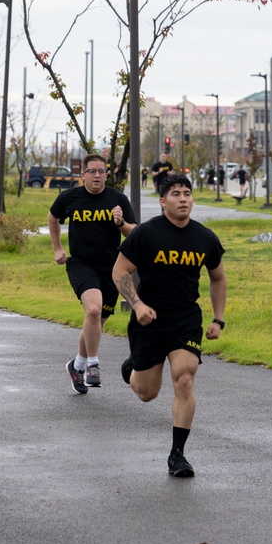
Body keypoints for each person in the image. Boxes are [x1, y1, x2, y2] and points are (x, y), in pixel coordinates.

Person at [112, 173, 227, 477]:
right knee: (147, 393)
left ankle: (178, 455)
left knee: (184, 380)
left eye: (187, 193)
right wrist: (136, 305)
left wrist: (218, 319)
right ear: (163, 201)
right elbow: (120, 271)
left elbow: (218, 278)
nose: (183, 198)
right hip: (148, 319)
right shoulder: (146, 234)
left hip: (185, 319)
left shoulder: (205, 238)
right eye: (175, 194)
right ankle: (133, 367)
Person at [49, 153, 137, 393]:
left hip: (111, 268)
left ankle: (75, 365)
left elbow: (134, 234)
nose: (97, 176)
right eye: (92, 171)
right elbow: (53, 216)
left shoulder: (117, 199)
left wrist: (120, 223)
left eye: (101, 172)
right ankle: (93, 365)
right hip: (81, 264)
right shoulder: (70, 198)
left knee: (95, 321)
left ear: (107, 174)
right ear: (83, 175)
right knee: (94, 309)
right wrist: (57, 248)